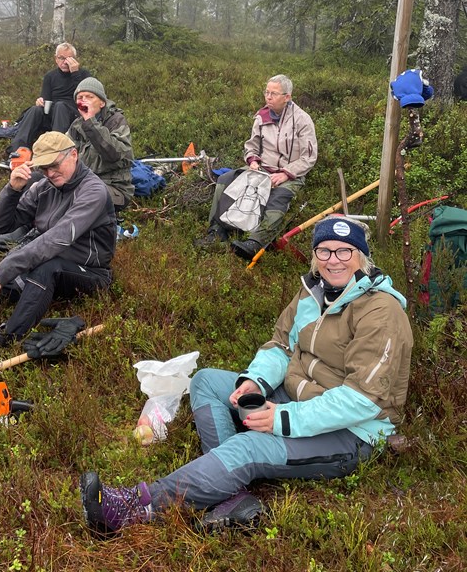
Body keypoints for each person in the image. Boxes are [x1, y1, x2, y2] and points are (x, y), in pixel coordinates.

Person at [80, 215, 413, 534]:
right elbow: (281, 345)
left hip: (352, 432)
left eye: (345, 251)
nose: (333, 260)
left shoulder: (380, 311)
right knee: (207, 380)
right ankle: (231, 493)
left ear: (362, 258)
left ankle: (135, 507)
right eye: (324, 250)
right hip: (297, 395)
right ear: (315, 256)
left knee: (247, 448)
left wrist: (283, 419)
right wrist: (254, 381)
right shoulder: (313, 292)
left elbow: (361, 400)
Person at [0, 131, 116, 345]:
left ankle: (7, 340)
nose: (50, 173)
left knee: (47, 268)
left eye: (54, 165)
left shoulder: (93, 192)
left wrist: (1, 273)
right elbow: (0, 228)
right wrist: (12, 190)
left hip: (89, 272)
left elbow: (56, 239)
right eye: (44, 168)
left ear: (73, 154)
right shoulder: (44, 187)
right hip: (39, 265)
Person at [195, 74, 317, 260]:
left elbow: (309, 156)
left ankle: (255, 243)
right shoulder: (262, 116)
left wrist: (286, 174)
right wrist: (253, 161)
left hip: (290, 174)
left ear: (287, 97)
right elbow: (251, 145)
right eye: (266, 92)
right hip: (261, 168)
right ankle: (216, 232)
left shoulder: (302, 120)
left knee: (278, 197)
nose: (268, 97)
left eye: (274, 93)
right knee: (225, 180)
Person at [0, 43, 90, 169]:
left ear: (75, 59)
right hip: (53, 114)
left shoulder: (83, 75)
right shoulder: (50, 76)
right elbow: (46, 99)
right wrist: (40, 101)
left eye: (69, 58)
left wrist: (75, 74)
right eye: (61, 58)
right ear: (56, 59)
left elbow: (86, 96)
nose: (65, 62)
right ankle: (16, 154)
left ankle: (57, 154)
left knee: (60, 106)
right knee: (35, 110)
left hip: (73, 115)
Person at [68, 77, 134, 211]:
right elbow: (61, 151)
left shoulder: (116, 121)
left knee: (79, 195)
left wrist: (90, 123)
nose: (84, 100)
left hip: (114, 189)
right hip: (81, 183)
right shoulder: (76, 125)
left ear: (102, 103)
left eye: (89, 96)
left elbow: (114, 154)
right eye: (80, 97)